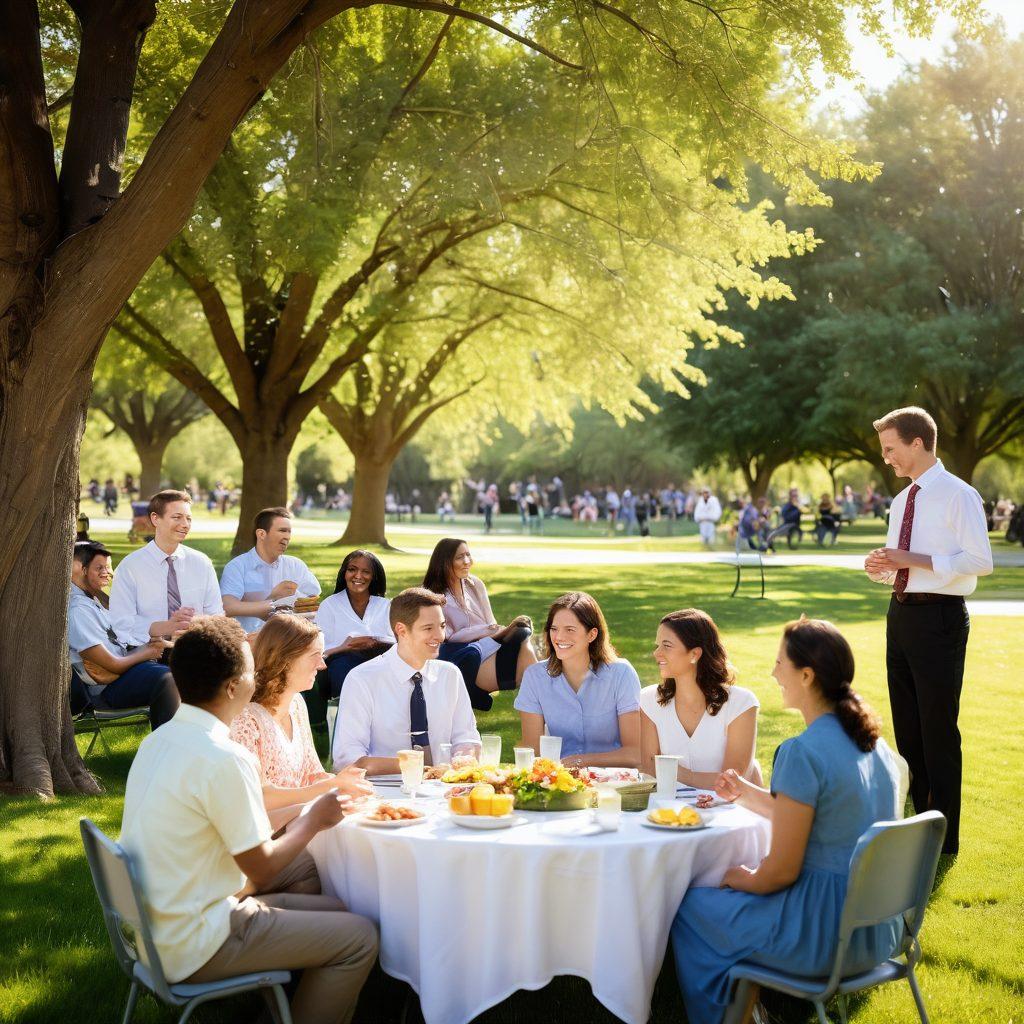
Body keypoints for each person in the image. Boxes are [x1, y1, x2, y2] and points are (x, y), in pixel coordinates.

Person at [120, 617, 378, 1023]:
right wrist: (314, 820)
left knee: (338, 907)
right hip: (197, 939)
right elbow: (262, 866)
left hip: (160, 926)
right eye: (249, 669)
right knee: (361, 937)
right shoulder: (224, 758)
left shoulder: (158, 741)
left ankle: (280, 1008)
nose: (257, 675)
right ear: (234, 686)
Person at [670, 618, 902, 1024]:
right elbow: (823, 817)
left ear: (807, 675)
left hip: (821, 934)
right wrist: (744, 792)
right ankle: (748, 1008)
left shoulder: (802, 752)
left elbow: (779, 873)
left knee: (692, 906)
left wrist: (737, 877)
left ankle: (731, 1016)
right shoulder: (875, 745)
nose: (774, 672)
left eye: (780, 663)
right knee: (723, 905)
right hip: (878, 930)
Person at [864, 406, 993, 856]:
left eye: (890, 448)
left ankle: (946, 839)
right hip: (899, 616)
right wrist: (881, 567)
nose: (887, 458)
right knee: (908, 728)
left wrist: (909, 560)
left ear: (917, 443)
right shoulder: (902, 500)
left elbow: (980, 562)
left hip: (939, 620)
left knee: (937, 729)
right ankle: (920, 824)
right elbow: (901, 565)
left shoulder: (959, 495)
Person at [230, 615, 373, 828]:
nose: (323, 665)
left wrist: (346, 784)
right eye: (315, 655)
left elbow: (311, 774)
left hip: (299, 824)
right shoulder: (245, 718)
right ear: (284, 659)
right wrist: (331, 786)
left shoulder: (296, 704)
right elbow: (256, 796)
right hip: (266, 839)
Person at [332, 588, 482, 773]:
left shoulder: (450, 675)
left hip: (443, 788)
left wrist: (461, 760)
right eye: (428, 628)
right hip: (382, 790)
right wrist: (415, 767)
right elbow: (347, 758)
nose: (440, 636)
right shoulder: (362, 679)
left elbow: (466, 737)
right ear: (401, 630)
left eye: (442, 626)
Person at [515, 591, 641, 769]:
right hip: (560, 781)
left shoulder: (621, 674)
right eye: (554, 628)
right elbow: (532, 751)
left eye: (570, 629)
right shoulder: (535, 677)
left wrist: (580, 761)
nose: (559, 637)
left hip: (612, 780)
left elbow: (635, 754)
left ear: (592, 634)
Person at [639, 609, 760, 788]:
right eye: (658, 645)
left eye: (667, 645)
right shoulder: (649, 700)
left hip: (727, 811)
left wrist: (676, 772)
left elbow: (732, 783)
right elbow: (650, 772)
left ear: (694, 654)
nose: (657, 653)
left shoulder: (741, 704)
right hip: (668, 811)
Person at [67, 541, 179, 730]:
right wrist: (145, 653)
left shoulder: (94, 599)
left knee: (193, 661)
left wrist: (157, 643)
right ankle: (166, 749)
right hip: (107, 688)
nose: (108, 573)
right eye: (100, 567)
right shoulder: (78, 610)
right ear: (80, 569)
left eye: (109, 567)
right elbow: (111, 665)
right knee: (166, 679)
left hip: (126, 669)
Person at [422, 538, 537, 712]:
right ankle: (539, 694)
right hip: (460, 650)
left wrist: (496, 631)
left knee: (522, 636)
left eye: (468, 554)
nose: (467, 561)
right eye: (460, 557)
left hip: (489, 644)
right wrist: (494, 631)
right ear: (445, 562)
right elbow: (451, 636)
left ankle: (536, 694)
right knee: (520, 645)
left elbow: (490, 622)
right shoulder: (433, 596)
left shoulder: (475, 585)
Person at [109, 489, 223, 647]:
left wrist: (193, 625)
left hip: (196, 649)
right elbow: (121, 621)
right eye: (177, 517)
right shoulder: (129, 567)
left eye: (188, 518)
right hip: (146, 651)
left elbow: (216, 614)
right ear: (155, 519)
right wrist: (167, 627)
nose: (185, 525)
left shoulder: (202, 563)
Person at [220, 506, 322, 635]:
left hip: (290, 640)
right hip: (251, 640)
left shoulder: (296, 565)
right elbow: (228, 607)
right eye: (282, 531)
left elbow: (313, 601)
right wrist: (273, 602)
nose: (287, 537)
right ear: (261, 534)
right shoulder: (237, 566)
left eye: (289, 532)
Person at [316, 550, 394, 698]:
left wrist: (375, 642)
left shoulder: (386, 606)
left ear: (374, 576)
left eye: (366, 572)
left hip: (380, 662)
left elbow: (399, 643)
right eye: (352, 570)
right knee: (344, 667)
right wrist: (343, 647)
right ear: (344, 573)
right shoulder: (329, 605)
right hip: (343, 666)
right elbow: (319, 652)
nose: (358, 576)